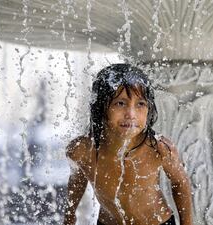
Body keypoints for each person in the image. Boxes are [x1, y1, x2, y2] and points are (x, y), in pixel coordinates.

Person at [64, 64, 193, 225]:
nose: (131, 114)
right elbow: (77, 179)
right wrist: (69, 215)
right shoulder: (82, 150)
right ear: (100, 107)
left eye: (140, 104)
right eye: (120, 103)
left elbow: (180, 182)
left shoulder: (158, 148)